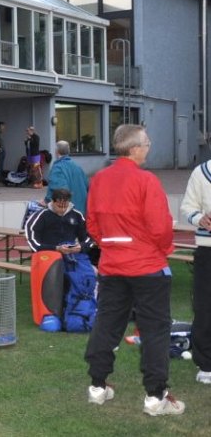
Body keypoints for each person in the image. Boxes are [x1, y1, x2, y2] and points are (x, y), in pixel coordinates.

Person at [84, 124, 184, 416]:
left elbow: (92, 224)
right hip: (147, 268)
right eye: (147, 143)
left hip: (113, 266)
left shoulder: (100, 179)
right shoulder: (146, 181)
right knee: (154, 330)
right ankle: (156, 396)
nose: (149, 148)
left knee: (107, 324)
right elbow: (160, 226)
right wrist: (161, 249)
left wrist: (114, 246)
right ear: (135, 148)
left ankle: (98, 386)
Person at [179, 156, 211, 385]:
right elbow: (187, 208)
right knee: (205, 306)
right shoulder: (201, 173)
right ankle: (207, 364)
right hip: (208, 249)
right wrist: (201, 218)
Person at [25, 188, 91, 254]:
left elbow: (87, 238)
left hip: (72, 254)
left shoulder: (77, 215)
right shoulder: (40, 216)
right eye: (59, 206)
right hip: (47, 254)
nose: (62, 210)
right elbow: (33, 242)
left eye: (65, 206)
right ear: (52, 202)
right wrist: (56, 248)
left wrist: (81, 247)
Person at [45, 141, 89, 214]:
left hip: (68, 213)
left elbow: (59, 192)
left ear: (57, 151)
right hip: (82, 212)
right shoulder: (77, 167)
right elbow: (87, 186)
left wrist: (47, 201)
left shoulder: (58, 168)